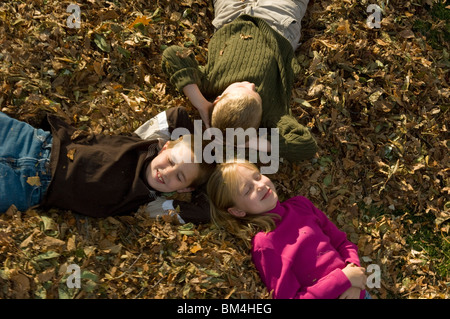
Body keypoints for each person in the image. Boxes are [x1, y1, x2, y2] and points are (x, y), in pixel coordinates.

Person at [161, 0, 318, 163]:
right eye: (256, 92)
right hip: (277, 23)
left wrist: (200, 103)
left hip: (231, 17)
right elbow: (305, 146)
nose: (251, 85)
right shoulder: (272, 113)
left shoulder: (209, 86)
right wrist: (249, 141)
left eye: (241, 86)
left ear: (218, 99)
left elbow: (172, 54)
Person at [0, 107, 215, 224]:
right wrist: (208, 150)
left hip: (29, 189)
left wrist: (207, 177)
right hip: (35, 142)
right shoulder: (143, 142)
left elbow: (203, 212)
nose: (166, 173)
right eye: (171, 161)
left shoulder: (148, 205)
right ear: (166, 146)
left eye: (179, 177)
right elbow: (178, 116)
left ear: (185, 189)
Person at [207, 161, 370, 299]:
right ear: (237, 211)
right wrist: (343, 279)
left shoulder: (301, 205)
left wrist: (354, 271)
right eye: (247, 190)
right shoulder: (265, 243)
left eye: (257, 177)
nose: (259, 186)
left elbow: (342, 242)